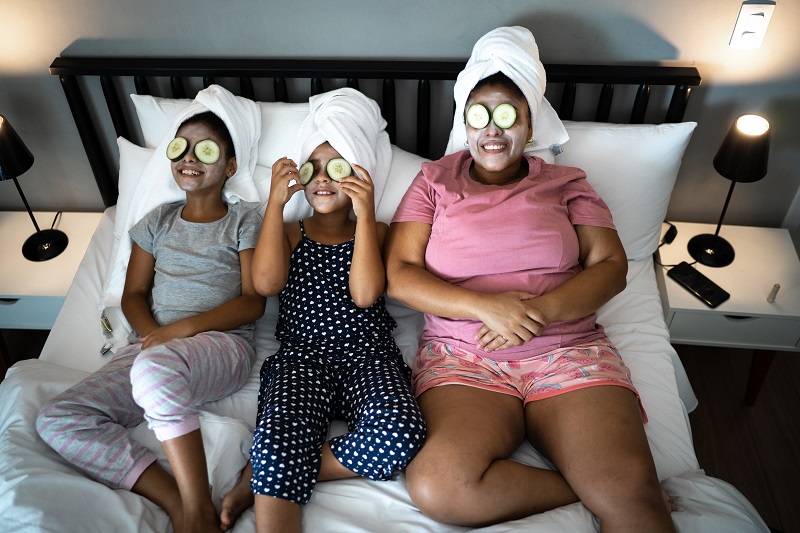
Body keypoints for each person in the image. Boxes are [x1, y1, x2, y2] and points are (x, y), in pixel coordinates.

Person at [384, 26, 676, 532]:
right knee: (441, 487)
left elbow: (611, 266)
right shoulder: (433, 181)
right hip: (464, 356)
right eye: (479, 116)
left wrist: (533, 313)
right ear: (465, 124)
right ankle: (585, 487)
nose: (492, 131)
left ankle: (614, 491)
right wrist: (485, 307)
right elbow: (399, 276)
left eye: (507, 115)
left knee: (632, 504)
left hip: (567, 350)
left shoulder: (567, 183)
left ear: (530, 121)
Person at [37, 110, 266, 533]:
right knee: (57, 418)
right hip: (152, 346)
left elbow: (253, 302)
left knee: (155, 368)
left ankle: (197, 508)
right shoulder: (157, 221)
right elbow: (133, 295)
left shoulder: (245, 219)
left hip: (221, 341)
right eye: (180, 148)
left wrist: (176, 332)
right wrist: (152, 336)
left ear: (230, 166)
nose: (189, 157)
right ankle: (177, 501)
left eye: (205, 150)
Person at [220, 89, 425, 533]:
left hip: (368, 356)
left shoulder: (378, 231)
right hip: (302, 359)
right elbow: (265, 284)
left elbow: (365, 295)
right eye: (312, 167)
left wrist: (365, 214)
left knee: (401, 433)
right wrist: (275, 203)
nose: (322, 179)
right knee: (279, 433)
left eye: (338, 167)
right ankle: (273, 463)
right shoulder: (288, 232)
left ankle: (263, 474)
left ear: (360, 174)